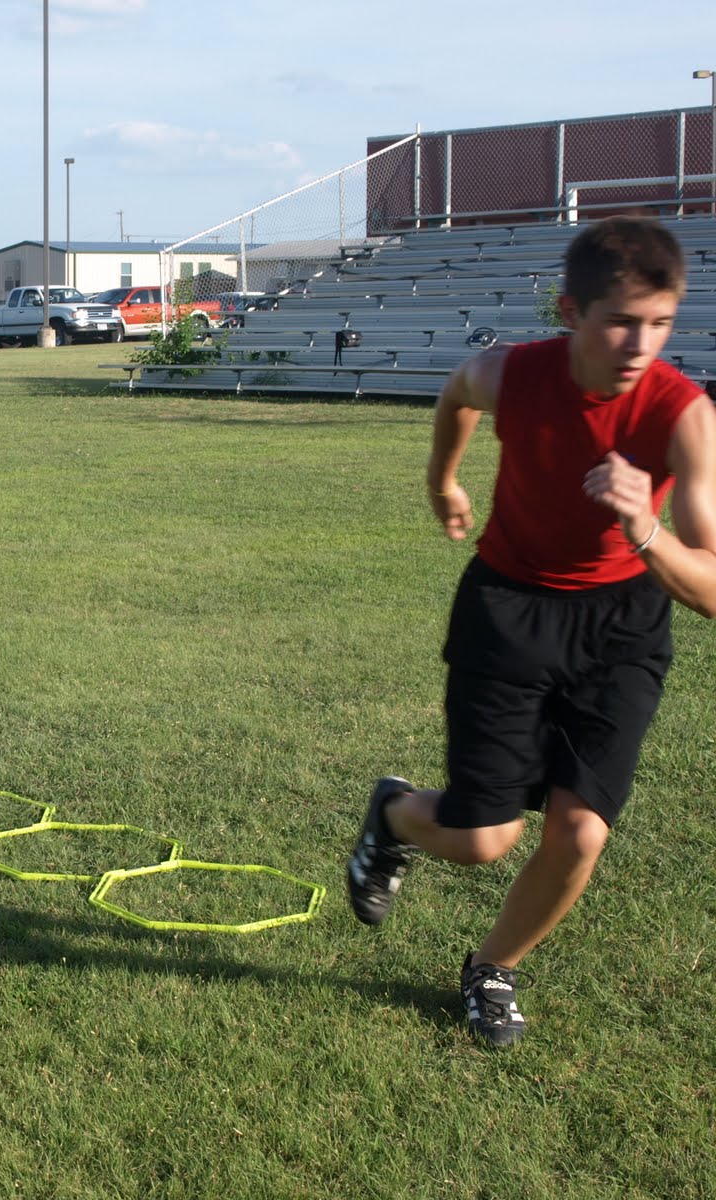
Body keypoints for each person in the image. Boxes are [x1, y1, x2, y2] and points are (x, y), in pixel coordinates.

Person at [346, 215, 716, 1048]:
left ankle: (492, 968)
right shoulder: (513, 375)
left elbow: (711, 586)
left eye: (660, 323)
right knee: (484, 839)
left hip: (622, 624)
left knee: (581, 832)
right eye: (622, 321)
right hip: (508, 610)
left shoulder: (685, 415)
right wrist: (443, 482)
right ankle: (395, 816)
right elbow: (455, 393)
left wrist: (645, 530)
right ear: (571, 311)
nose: (641, 345)